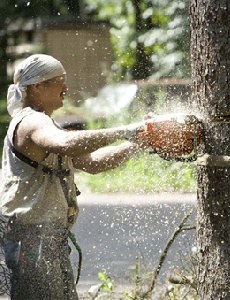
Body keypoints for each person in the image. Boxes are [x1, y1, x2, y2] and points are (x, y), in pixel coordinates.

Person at [0, 54, 148, 299]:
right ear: (38, 86)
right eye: (60, 82)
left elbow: (94, 163)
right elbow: (67, 143)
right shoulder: (31, 122)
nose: (66, 89)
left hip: (48, 240)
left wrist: (139, 142)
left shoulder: (46, 124)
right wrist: (126, 131)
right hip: (32, 241)